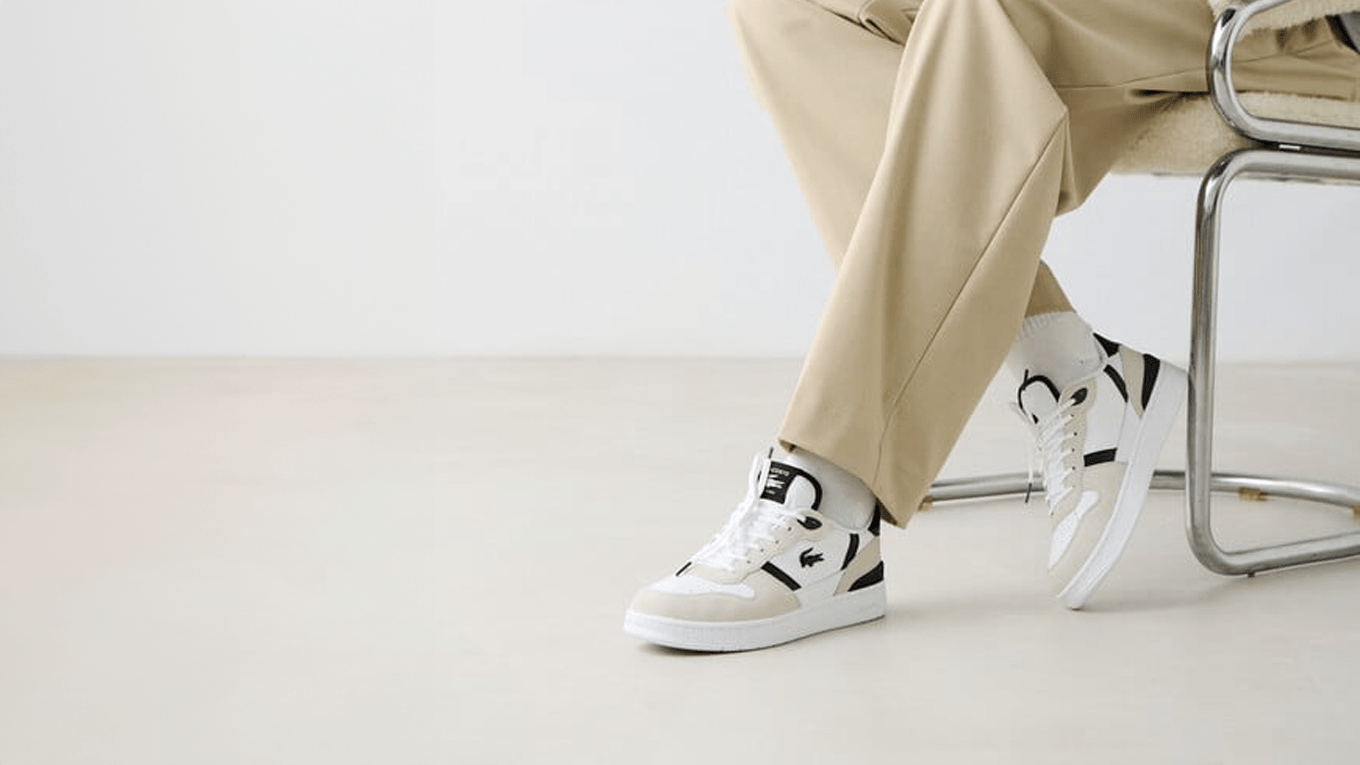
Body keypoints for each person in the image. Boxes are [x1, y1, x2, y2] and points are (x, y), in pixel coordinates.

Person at [623, 0, 1360, 651]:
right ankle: (1068, 366)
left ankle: (830, 501)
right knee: (792, 12)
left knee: (982, 19)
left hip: (1302, 27)